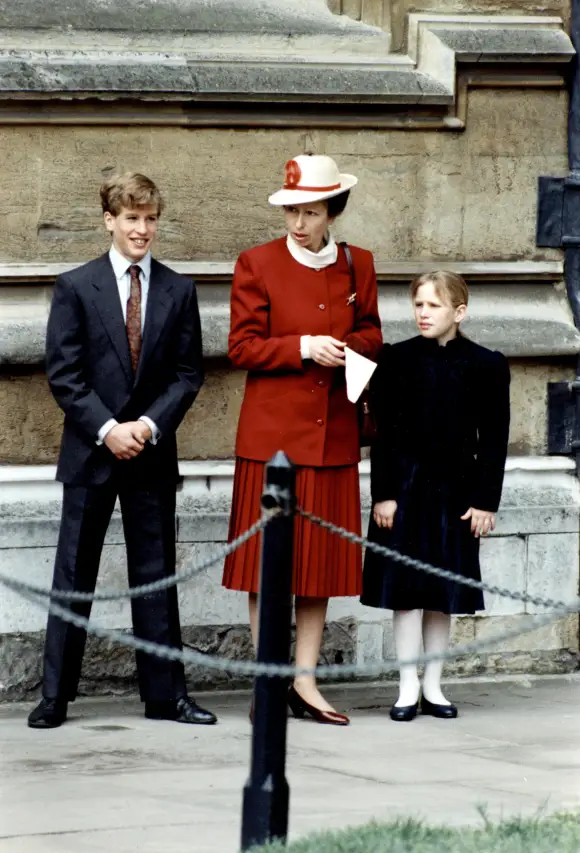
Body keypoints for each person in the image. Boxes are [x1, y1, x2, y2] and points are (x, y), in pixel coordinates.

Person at [28, 172, 217, 729]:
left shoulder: (178, 290)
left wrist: (148, 426)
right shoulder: (76, 286)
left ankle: (165, 696)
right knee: (73, 574)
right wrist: (108, 428)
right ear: (109, 220)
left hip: (150, 453)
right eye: (131, 218)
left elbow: (187, 373)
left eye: (150, 219)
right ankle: (55, 696)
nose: (142, 229)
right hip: (91, 451)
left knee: (155, 577)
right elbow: (64, 374)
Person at [222, 154, 383, 725]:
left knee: (319, 570)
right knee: (266, 567)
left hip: (333, 435)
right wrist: (302, 347)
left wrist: (350, 347)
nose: (298, 223)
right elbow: (241, 346)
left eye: (310, 212)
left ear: (332, 211)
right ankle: (269, 680)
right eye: (292, 211)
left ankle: (305, 683)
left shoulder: (359, 264)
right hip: (271, 442)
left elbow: (372, 332)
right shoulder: (257, 263)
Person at [361, 271, 510, 721]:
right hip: (405, 490)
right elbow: (384, 435)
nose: (423, 313)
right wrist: (384, 494)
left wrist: (485, 501)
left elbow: (494, 439)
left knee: (442, 592)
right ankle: (407, 685)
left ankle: (433, 684)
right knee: (406, 590)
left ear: (459, 312)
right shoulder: (396, 360)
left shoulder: (486, 364)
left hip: (456, 494)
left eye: (434, 305)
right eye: (418, 304)